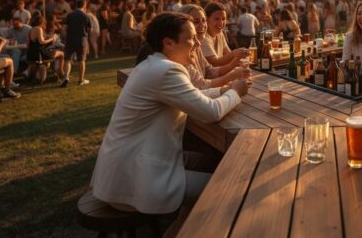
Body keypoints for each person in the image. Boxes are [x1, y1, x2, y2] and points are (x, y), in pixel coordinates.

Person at [89, 12, 248, 216]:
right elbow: (211, 112)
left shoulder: (153, 64)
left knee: (213, 161)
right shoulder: (166, 71)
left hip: (126, 167)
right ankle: (188, 227)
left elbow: (193, 95)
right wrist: (235, 92)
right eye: (191, 39)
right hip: (135, 180)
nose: (197, 44)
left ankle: (188, 219)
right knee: (231, 187)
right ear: (168, 43)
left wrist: (222, 90)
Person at [201, 2, 248, 67]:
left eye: (223, 19)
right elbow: (214, 63)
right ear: (207, 19)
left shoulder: (220, 33)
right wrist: (235, 53)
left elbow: (228, 55)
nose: (221, 22)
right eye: (217, 19)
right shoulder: (203, 37)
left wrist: (242, 59)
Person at [61, 0, 92, 87]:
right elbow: (90, 29)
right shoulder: (86, 16)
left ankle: (66, 78)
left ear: (76, 5)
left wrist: (64, 37)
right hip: (81, 40)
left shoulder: (69, 15)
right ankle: (81, 80)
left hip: (70, 39)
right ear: (84, 5)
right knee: (81, 60)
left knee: (67, 59)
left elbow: (64, 28)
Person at [26, 14, 65, 81]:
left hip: (31, 54)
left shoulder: (31, 30)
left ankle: (52, 74)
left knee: (53, 54)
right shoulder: (39, 28)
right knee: (61, 54)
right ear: (42, 22)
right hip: (40, 54)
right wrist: (52, 39)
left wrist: (47, 38)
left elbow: (28, 44)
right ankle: (61, 73)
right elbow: (41, 42)